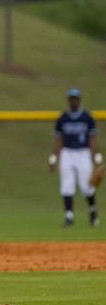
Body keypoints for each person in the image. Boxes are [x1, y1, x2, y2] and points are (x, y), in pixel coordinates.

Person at [48, 88, 102, 227]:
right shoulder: (63, 118)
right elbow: (59, 140)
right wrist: (54, 156)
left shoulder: (87, 117)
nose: (73, 101)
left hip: (83, 152)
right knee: (67, 185)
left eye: (75, 98)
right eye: (71, 98)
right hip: (67, 152)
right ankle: (69, 216)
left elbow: (92, 138)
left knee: (87, 186)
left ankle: (93, 211)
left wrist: (96, 155)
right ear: (68, 100)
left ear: (79, 100)